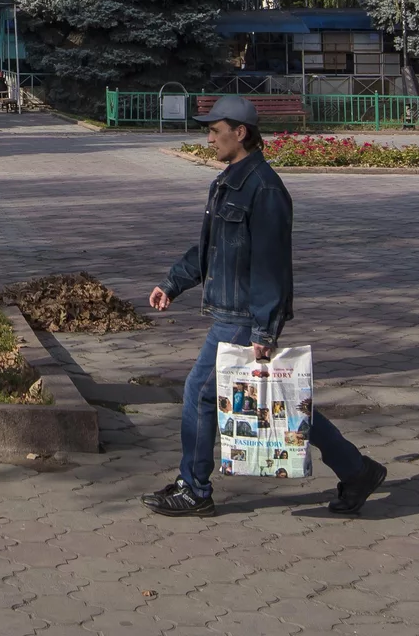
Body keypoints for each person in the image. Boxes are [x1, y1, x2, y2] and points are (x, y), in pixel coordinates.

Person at [143, 94, 387, 518]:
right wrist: (173, 283)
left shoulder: (266, 189)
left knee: (199, 395)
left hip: (244, 315)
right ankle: (356, 469)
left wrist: (264, 330)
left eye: (215, 131)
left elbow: (272, 265)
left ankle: (194, 488)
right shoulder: (226, 181)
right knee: (285, 399)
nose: (209, 138)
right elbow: (209, 249)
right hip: (229, 308)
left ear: (240, 133)